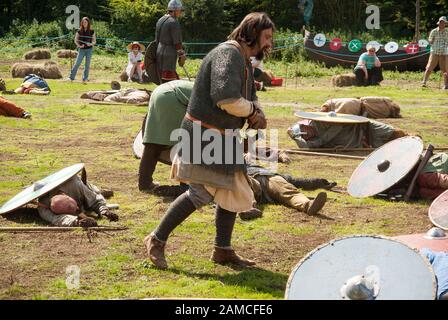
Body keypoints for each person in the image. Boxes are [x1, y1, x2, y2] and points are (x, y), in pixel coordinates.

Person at [144, 12, 274, 270]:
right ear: (253, 33)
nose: (270, 43)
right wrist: (250, 112)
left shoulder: (244, 59)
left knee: (232, 190)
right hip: (204, 134)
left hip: (222, 136)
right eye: (267, 37)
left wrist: (258, 112)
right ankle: (156, 239)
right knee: (201, 192)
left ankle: (222, 250)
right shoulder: (229, 54)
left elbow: (248, 95)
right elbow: (226, 98)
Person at [139, 80, 193, 192]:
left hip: (159, 92)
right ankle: (186, 185)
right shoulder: (219, 98)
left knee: (153, 144)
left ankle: (144, 182)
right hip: (173, 98)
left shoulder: (201, 86)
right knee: (188, 142)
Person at [238, 163, 334, 220]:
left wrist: (319, 182)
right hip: (246, 182)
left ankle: (308, 205)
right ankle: (248, 209)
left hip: (269, 178)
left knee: (289, 191)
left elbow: (296, 181)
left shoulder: (253, 162)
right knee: (243, 183)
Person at [37, 175, 118, 227]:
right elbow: (58, 219)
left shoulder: (75, 184)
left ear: (66, 195)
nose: (76, 209)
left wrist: (104, 211)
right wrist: (77, 222)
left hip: (87, 190)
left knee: (95, 191)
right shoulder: (43, 209)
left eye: (76, 207)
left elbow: (95, 200)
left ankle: (102, 191)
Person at [288, 119, 408, 149]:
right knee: (394, 148)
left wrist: (322, 141)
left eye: (306, 132)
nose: (308, 136)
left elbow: (338, 125)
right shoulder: (314, 141)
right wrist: (295, 137)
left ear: (304, 125)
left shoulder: (319, 121)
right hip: (362, 144)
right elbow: (305, 146)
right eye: (305, 137)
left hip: (365, 128)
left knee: (398, 135)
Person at [155, 0, 186, 83]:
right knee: (169, 80)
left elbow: (156, 38)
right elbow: (177, 41)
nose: (180, 12)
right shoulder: (173, 22)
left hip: (159, 49)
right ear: (175, 10)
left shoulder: (161, 19)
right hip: (169, 53)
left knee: (161, 76)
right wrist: (181, 54)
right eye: (180, 10)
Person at [68, 17, 96, 83]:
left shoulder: (92, 31)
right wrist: (79, 45)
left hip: (89, 50)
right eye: (83, 22)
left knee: (87, 65)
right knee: (77, 63)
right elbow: (75, 40)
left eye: (85, 22)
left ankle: (85, 78)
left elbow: (94, 41)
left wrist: (91, 44)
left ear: (88, 23)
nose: (84, 23)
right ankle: (71, 77)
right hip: (81, 50)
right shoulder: (79, 31)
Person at [422, 16, 448, 89]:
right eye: (440, 22)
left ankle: (446, 85)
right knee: (429, 67)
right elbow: (430, 40)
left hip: (444, 53)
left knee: (445, 69)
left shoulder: (447, 31)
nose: (442, 23)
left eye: (443, 22)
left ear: (445, 23)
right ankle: (424, 82)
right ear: (438, 23)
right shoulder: (434, 31)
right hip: (434, 52)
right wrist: (431, 41)